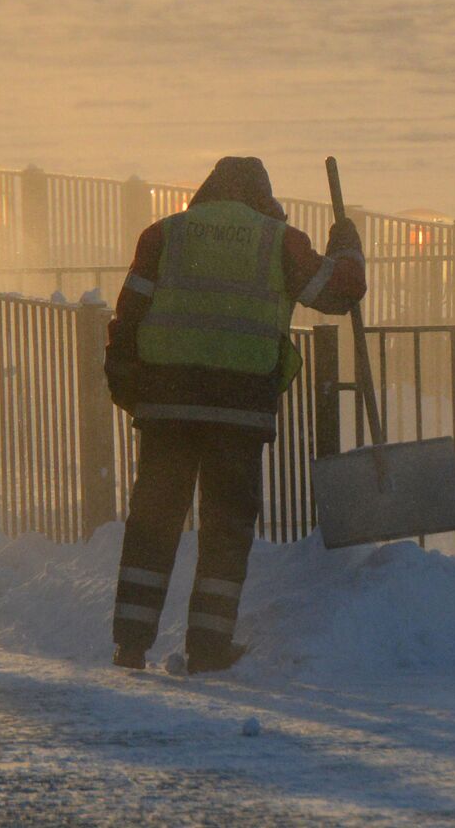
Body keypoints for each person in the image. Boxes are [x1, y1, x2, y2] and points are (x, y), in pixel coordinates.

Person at [105, 156, 366, 673]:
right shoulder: (278, 241)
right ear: (262, 198)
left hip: (168, 404)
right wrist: (347, 246)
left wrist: (127, 384)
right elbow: (338, 290)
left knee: (153, 523)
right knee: (226, 529)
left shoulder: (165, 235)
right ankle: (209, 646)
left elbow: (128, 316)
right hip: (239, 408)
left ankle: (131, 645)